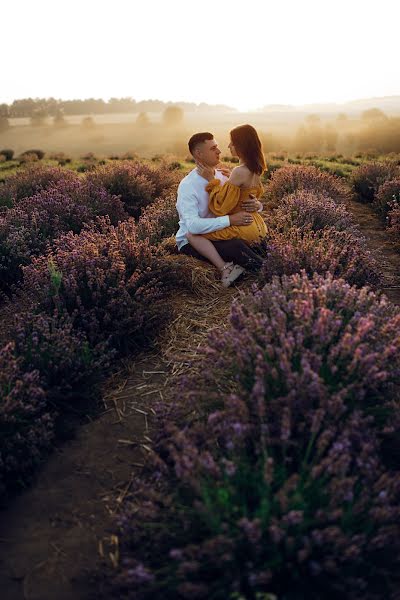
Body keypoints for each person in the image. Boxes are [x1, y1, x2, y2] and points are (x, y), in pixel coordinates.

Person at [175, 131, 264, 287]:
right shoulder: (188, 185)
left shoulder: (224, 177)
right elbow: (193, 227)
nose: (219, 151)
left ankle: (269, 267)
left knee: (253, 242)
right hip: (193, 240)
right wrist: (230, 220)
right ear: (199, 154)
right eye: (213, 148)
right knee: (234, 245)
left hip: (219, 232)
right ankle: (255, 271)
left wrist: (258, 205)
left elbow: (243, 198)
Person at [190, 124, 268, 259]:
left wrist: (211, 181)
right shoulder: (255, 168)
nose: (228, 146)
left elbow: (221, 207)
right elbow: (250, 194)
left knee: (194, 234)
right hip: (257, 223)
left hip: (243, 225)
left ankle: (224, 268)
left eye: (233, 142)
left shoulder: (239, 171)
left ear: (241, 145)